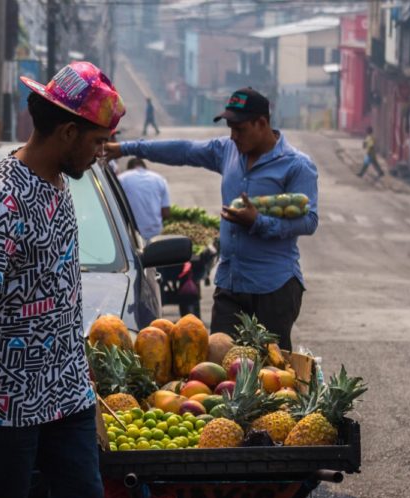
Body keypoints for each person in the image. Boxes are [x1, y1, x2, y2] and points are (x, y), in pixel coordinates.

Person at [0, 61, 124, 498]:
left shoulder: (59, 182)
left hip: (68, 394)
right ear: (67, 132)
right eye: (97, 141)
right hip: (9, 404)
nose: (101, 152)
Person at [103, 87, 318, 351]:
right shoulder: (227, 151)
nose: (233, 136)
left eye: (239, 129)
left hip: (273, 287)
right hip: (230, 284)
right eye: (230, 128)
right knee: (219, 361)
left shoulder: (296, 165)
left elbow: (309, 221)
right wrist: (125, 149)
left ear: (261, 123)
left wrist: (258, 222)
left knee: (271, 372)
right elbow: (182, 151)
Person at [118, 157, 171, 241]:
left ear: (129, 168)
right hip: (155, 233)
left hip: (131, 234)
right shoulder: (159, 179)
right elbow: (166, 212)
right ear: (145, 167)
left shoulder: (121, 179)